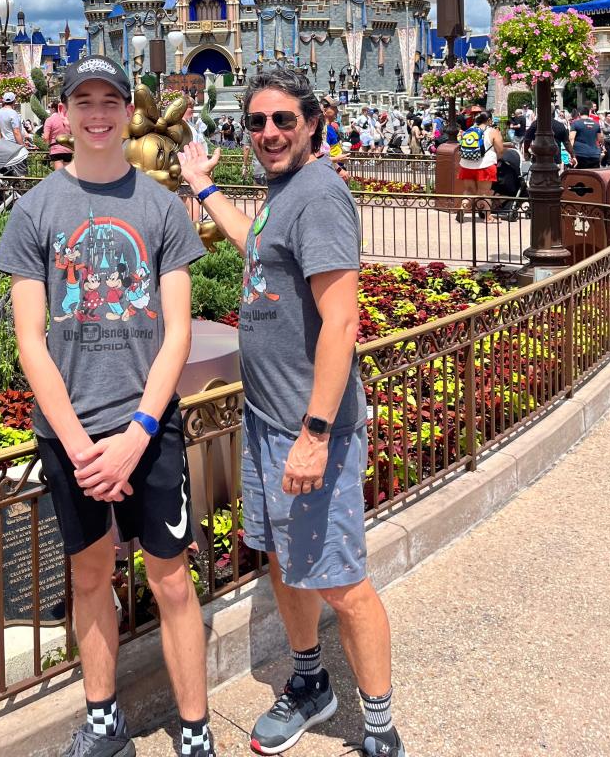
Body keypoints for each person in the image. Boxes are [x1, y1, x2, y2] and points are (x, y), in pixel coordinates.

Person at [178, 65, 405, 757]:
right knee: (281, 559)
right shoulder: (283, 192)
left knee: (341, 581)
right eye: (256, 122)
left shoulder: (322, 195)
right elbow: (259, 249)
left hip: (313, 431)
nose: (269, 133)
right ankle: (310, 684)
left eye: (283, 121)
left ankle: (380, 730)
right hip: (268, 420)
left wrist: (314, 433)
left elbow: (341, 323)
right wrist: (204, 188)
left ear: (313, 122)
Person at [0, 56, 212, 757]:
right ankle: (101, 717)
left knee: (170, 580)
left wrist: (138, 432)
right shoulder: (37, 209)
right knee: (90, 576)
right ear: (66, 111)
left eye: (108, 101)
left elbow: (176, 330)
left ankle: (196, 729)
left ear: (126, 110)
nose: (97, 114)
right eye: (83, 101)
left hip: (148, 429)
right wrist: (83, 446)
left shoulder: (158, 207)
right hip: (71, 436)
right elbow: (31, 341)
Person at [456, 110, 503, 222]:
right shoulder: (493, 131)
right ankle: (488, 217)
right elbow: (500, 150)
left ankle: (462, 208)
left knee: (469, 190)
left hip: (466, 164)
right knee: (484, 192)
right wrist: (498, 157)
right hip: (485, 165)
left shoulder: (469, 130)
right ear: (489, 120)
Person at [43, 98, 73, 170]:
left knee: (60, 175)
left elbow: (46, 137)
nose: (49, 109)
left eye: (49, 107)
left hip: (56, 149)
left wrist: (45, 140)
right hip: (68, 149)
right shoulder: (67, 119)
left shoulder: (50, 120)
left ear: (53, 109)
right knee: (67, 175)